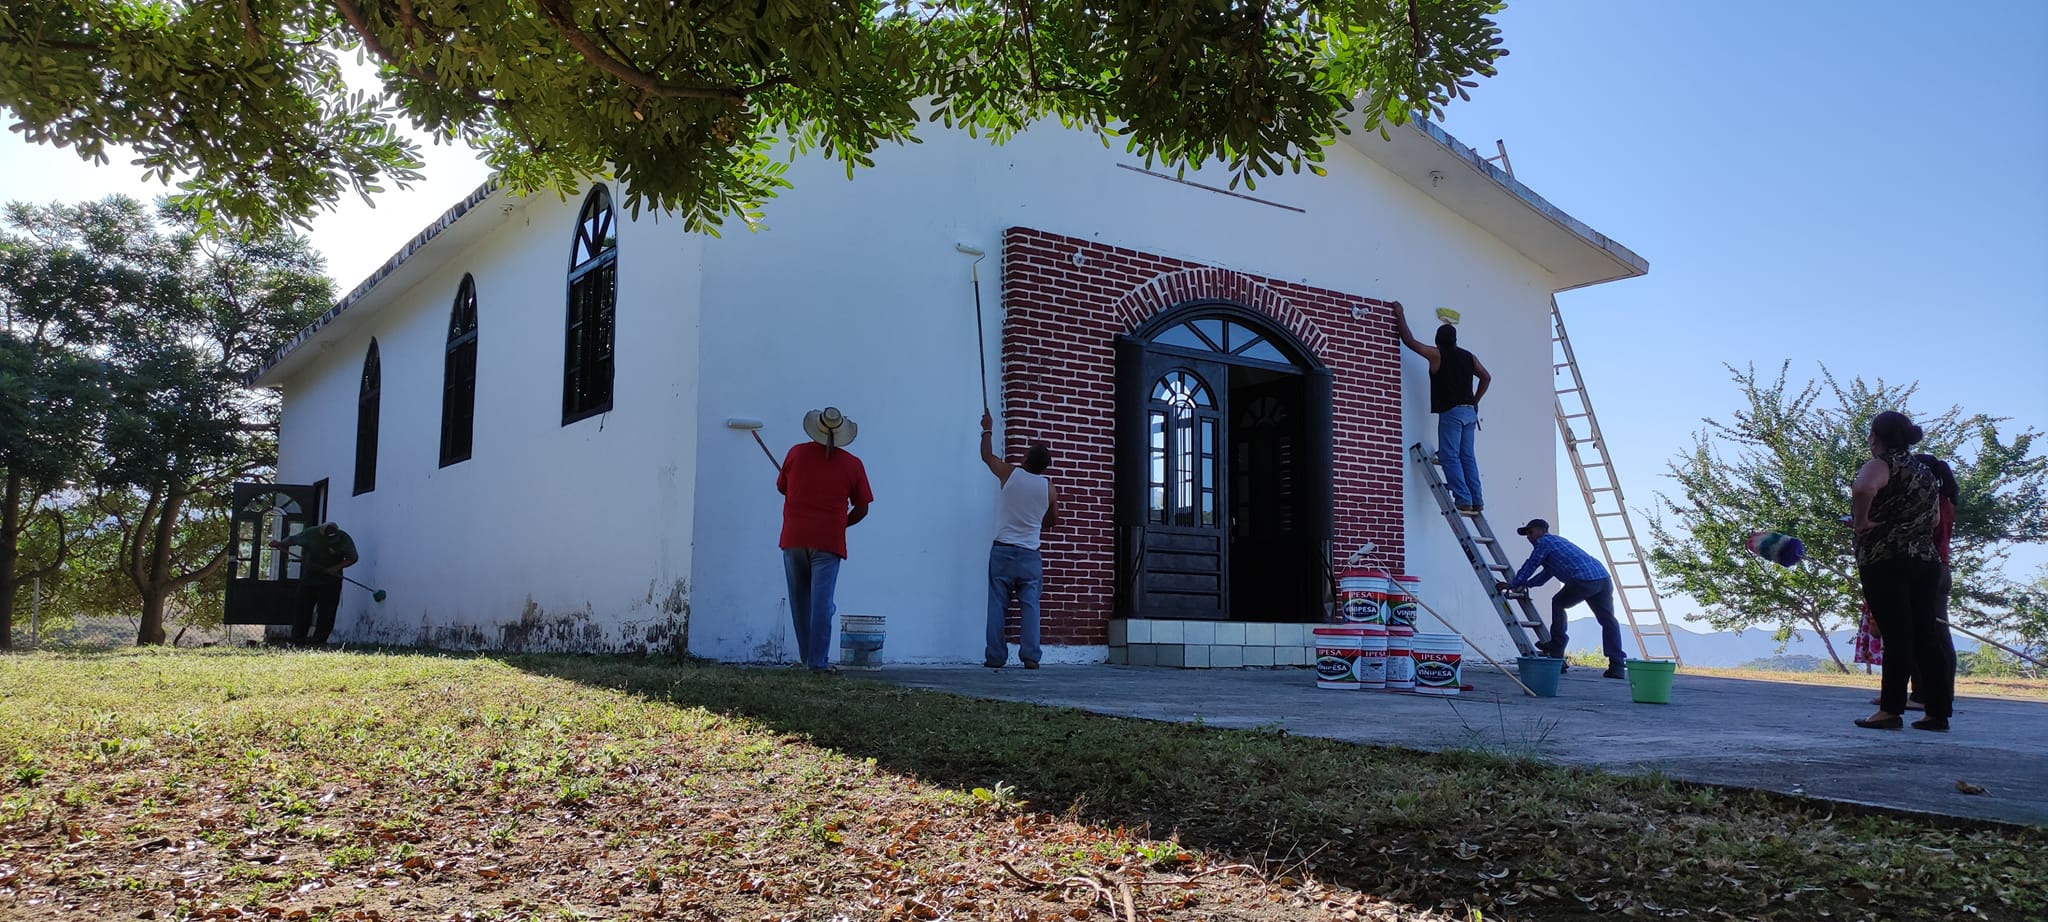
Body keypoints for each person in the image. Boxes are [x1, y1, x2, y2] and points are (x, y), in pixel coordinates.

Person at [1851, 411, 1951, 731]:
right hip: (1925, 561)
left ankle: (1890, 710)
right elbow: (1934, 520)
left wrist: (1861, 521)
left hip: (1886, 559)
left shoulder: (1881, 464)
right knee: (1926, 635)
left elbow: (1864, 488)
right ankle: (1937, 713)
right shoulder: (1924, 471)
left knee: (1897, 635)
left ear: (1875, 437)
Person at [778, 406, 874, 675]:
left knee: (800, 602)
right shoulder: (853, 464)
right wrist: (841, 523)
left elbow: (783, 488)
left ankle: (807, 658)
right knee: (822, 603)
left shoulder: (796, 453)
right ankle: (817, 663)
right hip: (828, 541)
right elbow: (863, 507)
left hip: (794, 537)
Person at [1860, 453, 1959, 711]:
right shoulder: (1943, 501)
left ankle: (1921, 695)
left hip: (1925, 568)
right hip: (1936, 569)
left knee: (1918, 636)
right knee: (1931, 635)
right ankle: (1935, 700)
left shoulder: (1929, 501)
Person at [1392, 302, 1492, 514]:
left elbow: (1409, 341)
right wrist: (1475, 400)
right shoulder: (1468, 356)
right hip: (1469, 412)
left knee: (1449, 456)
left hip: (1452, 412)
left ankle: (1463, 499)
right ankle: (1477, 499)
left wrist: (1399, 313)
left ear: (1438, 340)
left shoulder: (1437, 354)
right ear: (1455, 340)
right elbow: (1486, 377)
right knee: (1467, 456)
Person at [1497, 518, 1627, 679]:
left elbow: (1531, 564)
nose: (1529, 538)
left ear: (1541, 531)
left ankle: (1557, 650)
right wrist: (1527, 584)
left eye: (1530, 533)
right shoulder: (1558, 543)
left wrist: (1512, 584)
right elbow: (1546, 574)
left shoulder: (1544, 542)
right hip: (1602, 579)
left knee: (1558, 602)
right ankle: (1617, 665)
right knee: (1608, 621)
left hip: (1583, 579)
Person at [980, 409, 1060, 669]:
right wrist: (1037, 522)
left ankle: (995, 656)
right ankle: (1030, 656)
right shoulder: (1048, 488)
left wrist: (988, 428)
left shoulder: (1010, 474)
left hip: (1003, 551)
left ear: (1026, 458)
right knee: (1031, 607)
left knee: (996, 604)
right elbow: (1052, 520)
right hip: (1030, 554)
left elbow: (987, 456)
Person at [268, 520, 359, 646]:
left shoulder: (344, 538)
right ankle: (298, 640)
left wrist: (336, 568)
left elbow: (353, 558)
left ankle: (318, 641)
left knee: (327, 612)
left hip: (331, 581)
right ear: (321, 532)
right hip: (310, 579)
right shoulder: (311, 534)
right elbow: (293, 539)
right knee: (302, 610)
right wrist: (280, 543)